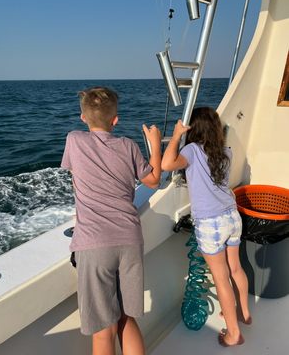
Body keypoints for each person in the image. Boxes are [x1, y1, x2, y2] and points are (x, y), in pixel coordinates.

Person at [61, 87, 161, 355]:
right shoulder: (128, 146)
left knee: (103, 331)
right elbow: (153, 180)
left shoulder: (74, 140)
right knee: (127, 319)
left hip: (94, 246)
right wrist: (154, 144)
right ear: (116, 120)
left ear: (83, 117)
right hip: (129, 241)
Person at [161, 107, 251, 347]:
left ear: (195, 128)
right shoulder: (225, 152)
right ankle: (244, 313)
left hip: (211, 224)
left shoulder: (191, 150)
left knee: (221, 279)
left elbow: (167, 164)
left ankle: (234, 334)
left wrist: (178, 134)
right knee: (236, 268)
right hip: (232, 216)